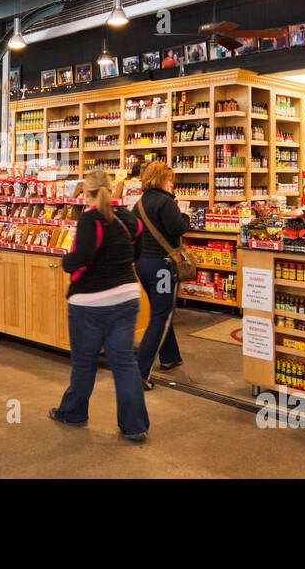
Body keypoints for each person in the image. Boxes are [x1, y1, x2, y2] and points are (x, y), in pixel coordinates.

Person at [48, 170, 149, 441]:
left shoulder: (90, 219)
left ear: (87, 193)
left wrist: (65, 262)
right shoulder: (128, 218)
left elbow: (82, 257)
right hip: (127, 297)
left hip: (90, 303)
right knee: (125, 363)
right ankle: (135, 426)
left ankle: (73, 413)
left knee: (84, 363)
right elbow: (136, 252)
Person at [134, 161, 191, 387]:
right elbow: (178, 228)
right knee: (160, 317)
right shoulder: (166, 202)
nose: (172, 184)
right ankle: (139, 373)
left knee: (162, 310)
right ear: (161, 180)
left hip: (142, 264)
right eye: (170, 180)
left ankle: (170, 356)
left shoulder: (139, 202)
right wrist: (185, 215)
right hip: (162, 268)